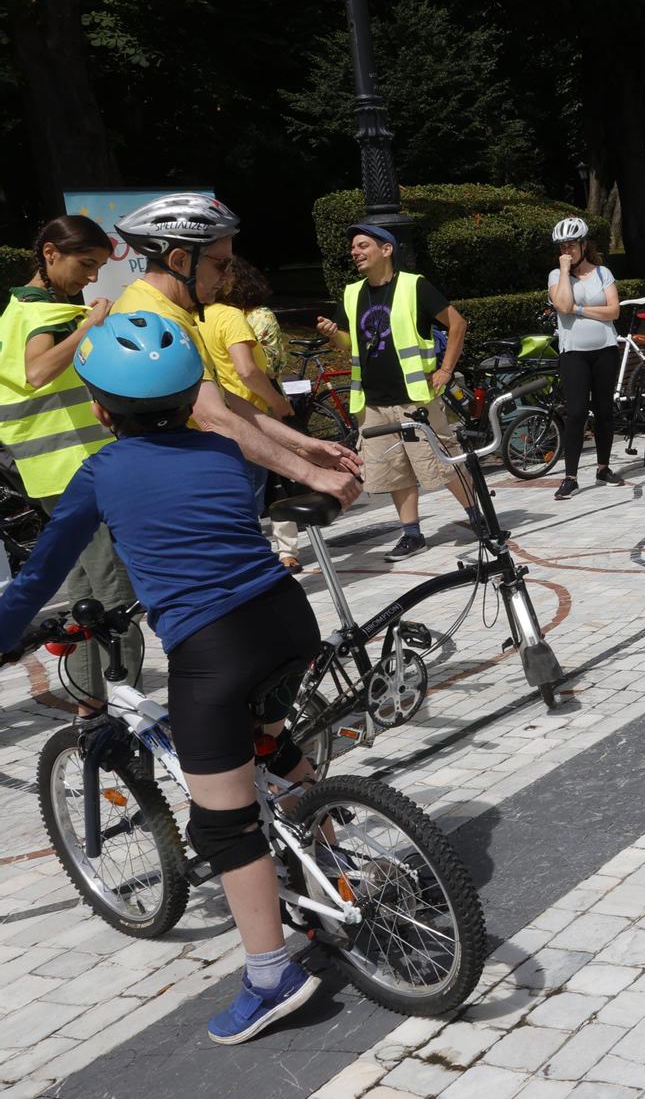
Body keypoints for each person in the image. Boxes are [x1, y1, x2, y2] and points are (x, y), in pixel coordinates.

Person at [0, 312, 323, 1043]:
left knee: (222, 823)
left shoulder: (101, 471)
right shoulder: (225, 453)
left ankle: (272, 974)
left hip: (214, 650)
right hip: (286, 620)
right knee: (266, 744)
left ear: (99, 407)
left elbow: (41, 571)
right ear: (189, 394)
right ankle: (337, 858)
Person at [107, 195, 362, 508]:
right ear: (178, 261)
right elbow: (213, 418)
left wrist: (305, 446)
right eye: (221, 264)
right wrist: (311, 474)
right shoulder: (154, 320)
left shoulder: (170, 311)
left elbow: (224, 401)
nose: (228, 277)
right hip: (181, 492)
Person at [0, 215, 144, 707]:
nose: (90, 277)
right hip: (76, 470)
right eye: (86, 265)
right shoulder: (44, 315)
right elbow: (38, 371)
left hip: (49, 471)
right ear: (49, 254)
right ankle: (127, 707)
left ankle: (91, 706)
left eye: (99, 267)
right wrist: (88, 325)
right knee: (115, 594)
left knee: (85, 592)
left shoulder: (16, 311)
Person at [313, 223, 470, 560]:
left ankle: (479, 517)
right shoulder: (352, 293)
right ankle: (412, 534)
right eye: (353, 247)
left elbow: (457, 323)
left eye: (362, 245)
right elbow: (347, 341)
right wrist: (331, 333)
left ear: (386, 249)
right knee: (394, 469)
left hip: (414, 398)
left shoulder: (415, 286)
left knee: (441, 463)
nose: (355, 252)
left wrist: (445, 370)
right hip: (371, 400)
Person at [200, 258, 301, 571]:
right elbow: (248, 370)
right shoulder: (230, 316)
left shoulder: (190, 318)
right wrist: (277, 401)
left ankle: (241, 559)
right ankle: (258, 561)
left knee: (231, 496)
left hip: (210, 418)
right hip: (249, 415)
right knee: (254, 495)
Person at [546, 216, 626, 500]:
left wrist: (579, 309)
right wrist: (565, 269)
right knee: (577, 412)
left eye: (572, 245)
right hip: (574, 353)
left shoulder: (603, 273)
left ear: (583, 244)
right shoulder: (557, 277)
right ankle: (570, 476)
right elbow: (562, 304)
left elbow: (614, 312)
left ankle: (603, 467)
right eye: (562, 246)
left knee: (604, 410)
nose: (567, 249)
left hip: (604, 349)